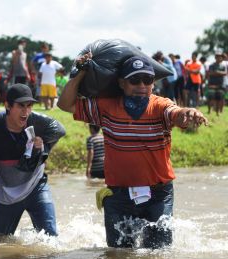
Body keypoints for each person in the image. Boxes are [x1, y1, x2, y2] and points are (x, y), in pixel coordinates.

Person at [58, 54, 208, 248]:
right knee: (119, 257)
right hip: (119, 197)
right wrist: (80, 72)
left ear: (153, 83)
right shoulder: (107, 106)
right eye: (134, 80)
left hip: (158, 195)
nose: (142, 85)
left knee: (158, 255)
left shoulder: (159, 106)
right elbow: (65, 104)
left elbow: (175, 113)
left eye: (147, 80)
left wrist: (188, 112)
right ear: (121, 83)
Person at [0, 84, 66, 236]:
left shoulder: (37, 121)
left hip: (36, 187)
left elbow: (60, 130)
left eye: (29, 106)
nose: (25, 111)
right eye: (20, 106)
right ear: (7, 105)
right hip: (7, 194)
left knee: (51, 239)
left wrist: (43, 146)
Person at [206, 51, 227, 115]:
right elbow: (210, 73)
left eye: (220, 56)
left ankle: (217, 112)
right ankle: (209, 111)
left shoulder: (223, 65)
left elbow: (225, 73)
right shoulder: (211, 65)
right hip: (212, 85)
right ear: (215, 57)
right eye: (217, 56)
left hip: (220, 85)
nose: (219, 58)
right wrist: (219, 73)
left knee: (219, 97)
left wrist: (217, 72)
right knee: (210, 97)